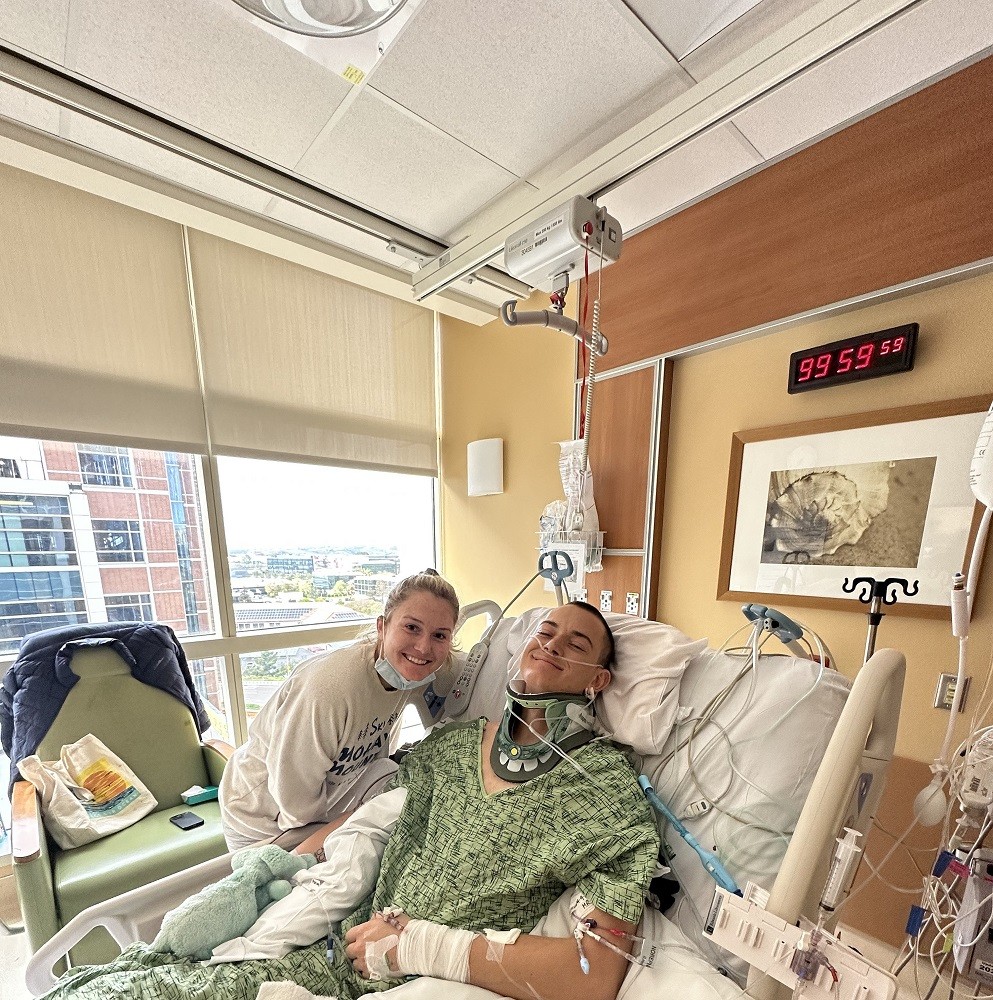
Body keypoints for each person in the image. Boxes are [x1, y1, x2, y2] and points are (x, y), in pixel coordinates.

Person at [41, 601, 660, 1000]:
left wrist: (423, 944)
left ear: (599, 682)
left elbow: (595, 973)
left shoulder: (603, 791)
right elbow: (369, 818)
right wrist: (281, 871)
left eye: (575, 645)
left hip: (398, 970)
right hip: (334, 924)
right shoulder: (455, 743)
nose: (548, 645)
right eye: (542, 633)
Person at [220, 569, 460, 850]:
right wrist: (345, 829)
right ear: (382, 627)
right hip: (261, 817)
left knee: (389, 780)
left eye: (440, 636)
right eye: (411, 627)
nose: (423, 647)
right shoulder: (330, 689)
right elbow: (296, 805)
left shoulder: (411, 672)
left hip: (326, 798)